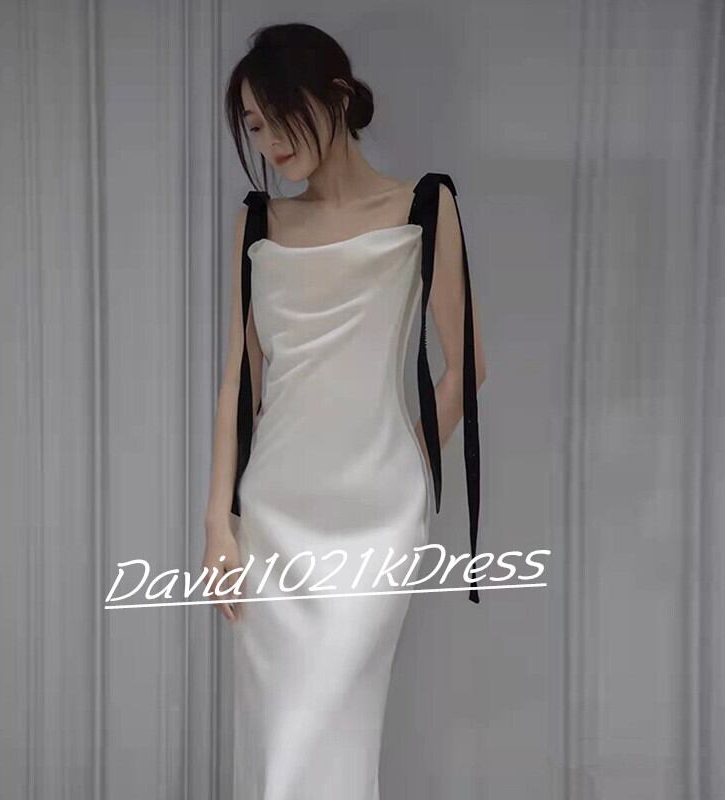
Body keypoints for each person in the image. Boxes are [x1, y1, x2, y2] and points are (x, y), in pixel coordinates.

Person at [202, 22, 487, 800]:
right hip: (271, 519)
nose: (268, 143)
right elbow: (240, 380)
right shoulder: (259, 222)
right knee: (280, 742)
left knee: (331, 724)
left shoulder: (424, 207)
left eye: (279, 117)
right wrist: (218, 521)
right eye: (253, 126)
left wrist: (406, 465)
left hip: (375, 523)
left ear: (334, 97)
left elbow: (468, 366)